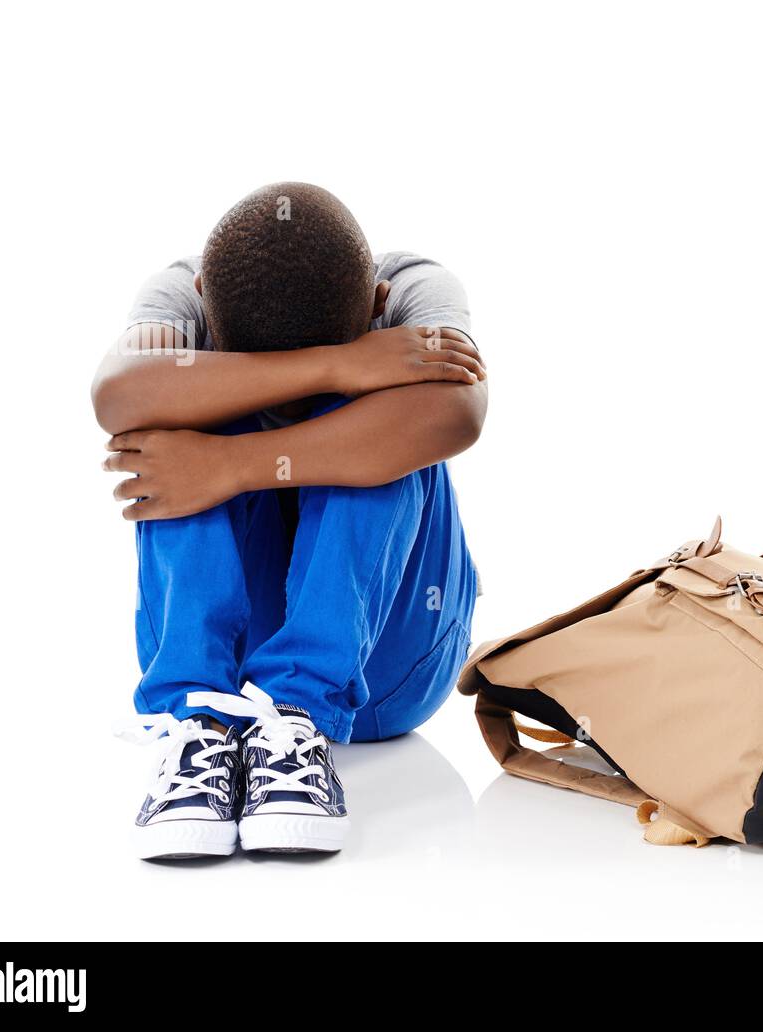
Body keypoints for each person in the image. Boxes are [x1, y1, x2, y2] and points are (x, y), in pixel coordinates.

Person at [92, 182, 486, 859]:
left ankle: (301, 717)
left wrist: (230, 464)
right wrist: (336, 363)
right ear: (201, 298)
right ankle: (200, 730)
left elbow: (460, 413)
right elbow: (118, 397)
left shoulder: (413, 284)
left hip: (389, 666)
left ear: (378, 302)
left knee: (402, 416)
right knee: (164, 412)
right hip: (232, 668)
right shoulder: (181, 290)